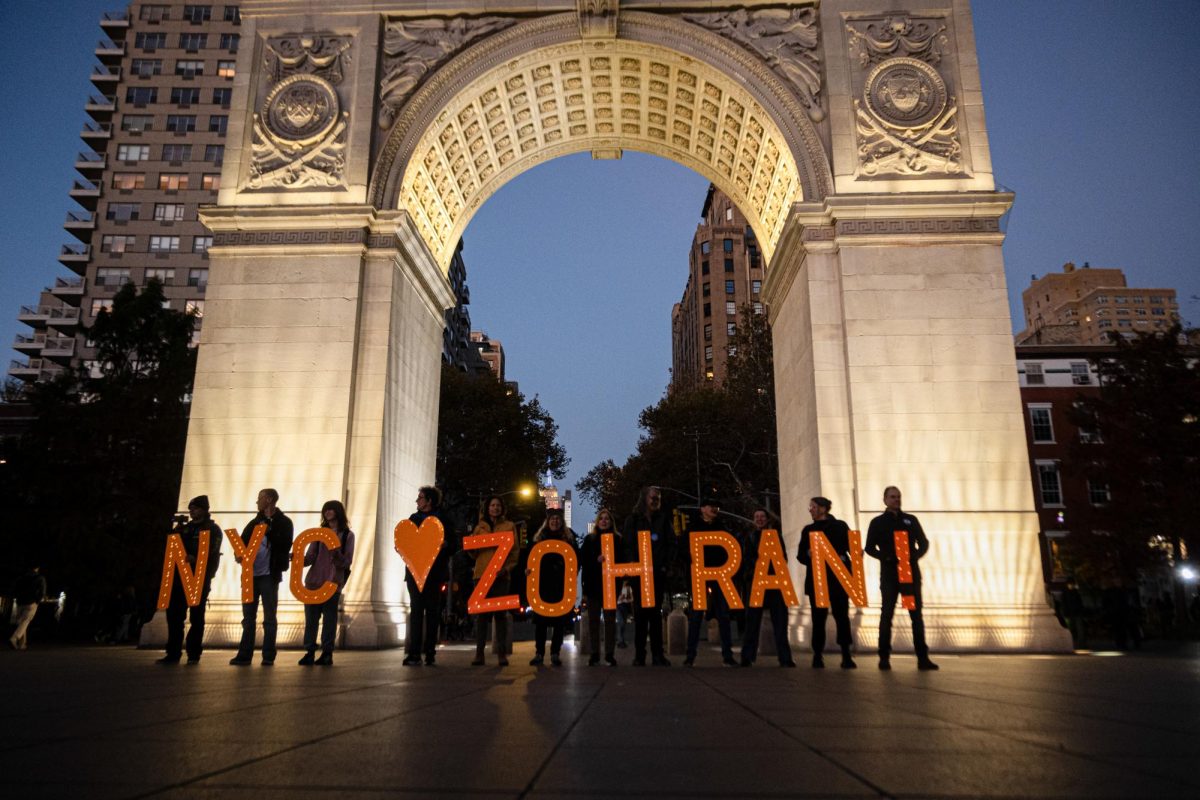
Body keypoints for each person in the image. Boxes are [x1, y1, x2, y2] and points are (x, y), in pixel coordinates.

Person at [865, 486, 938, 670]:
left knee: (915, 616)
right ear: (885, 500)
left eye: (898, 497)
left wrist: (914, 556)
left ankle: (922, 657)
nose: (896, 500)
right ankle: (884, 657)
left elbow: (924, 542)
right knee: (887, 614)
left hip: (908, 573)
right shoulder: (878, 522)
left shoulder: (911, 520)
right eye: (892, 497)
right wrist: (886, 557)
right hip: (890, 574)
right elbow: (869, 548)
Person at [231, 488, 295, 666]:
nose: (257, 502)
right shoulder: (254, 523)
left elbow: (285, 544)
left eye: (259, 498)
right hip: (250, 575)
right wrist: (239, 554)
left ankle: (268, 655)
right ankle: (244, 654)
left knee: (269, 617)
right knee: (248, 617)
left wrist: (269, 532)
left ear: (269, 499)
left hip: (269, 574)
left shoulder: (284, 522)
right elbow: (242, 542)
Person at [158, 495, 223, 664]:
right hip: (179, 578)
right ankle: (173, 652)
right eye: (190, 508)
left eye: (194, 508)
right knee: (174, 616)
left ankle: (193, 653)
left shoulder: (213, 529)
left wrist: (196, 558)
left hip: (199, 578)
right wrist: (176, 533)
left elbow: (211, 551)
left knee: (196, 617)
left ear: (203, 509)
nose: (191, 511)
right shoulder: (184, 529)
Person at [797, 497, 855, 669]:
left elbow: (852, 548)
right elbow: (800, 555)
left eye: (813, 507)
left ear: (823, 508)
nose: (810, 510)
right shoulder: (808, 530)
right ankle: (817, 655)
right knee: (818, 619)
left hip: (838, 580)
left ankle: (846, 654)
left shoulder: (840, 526)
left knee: (842, 618)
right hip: (818, 581)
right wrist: (808, 553)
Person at [299, 500, 355, 666]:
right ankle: (309, 651)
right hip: (314, 581)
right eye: (325, 510)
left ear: (338, 512)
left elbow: (347, 561)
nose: (328, 512)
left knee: (329, 619)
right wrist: (298, 560)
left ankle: (327, 652)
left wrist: (336, 554)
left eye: (331, 509)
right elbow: (310, 557)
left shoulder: (347, 535)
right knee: (311, 619)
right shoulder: (318, 534)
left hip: (332, 582)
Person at [621, 486, 674, 666]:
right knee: (641, 615)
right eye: (653, 497)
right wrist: (632, 565)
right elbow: (627, 545)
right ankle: (640, 655)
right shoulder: (633, 520)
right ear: (644, 498)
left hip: (657, 573)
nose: (656, 500)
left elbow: (671, 544)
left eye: (658, 498)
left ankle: (658, 654)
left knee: (655, 615)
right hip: (639, 574)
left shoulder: (664, 520)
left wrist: (666, 566)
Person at [684, 497, 738, 667]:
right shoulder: (692, 528)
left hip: (720, 576)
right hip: (700, 576)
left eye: (716, 506)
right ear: (702, 509)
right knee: (696, 617)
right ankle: (690, 656)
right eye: (711, 505)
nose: (715, 508)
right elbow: (684, 551)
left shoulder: (722, 527)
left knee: (724, 615)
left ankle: (727, 656)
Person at [739, 508, 796, 667]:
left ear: (767, 519)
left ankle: (785, 658)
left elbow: (783, 557)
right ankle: (747, 657)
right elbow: (746, 559)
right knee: (752, 623)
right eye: (756, 516)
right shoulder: (749, 538)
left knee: (780, 623)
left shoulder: (776, 536)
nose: (759, 519)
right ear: (753, 520)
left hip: (776, 585)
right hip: (757, 583)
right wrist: (757, 566)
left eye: (762, 516)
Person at [403, 486, 451, 666]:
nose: (417, 501)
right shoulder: (413, 519)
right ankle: (414, 652)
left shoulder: (443, 520)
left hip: (434, 573)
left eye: (420, 497)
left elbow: (453, 543)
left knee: (432, 612)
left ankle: (430, 651)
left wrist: (445, 544)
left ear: (429, 500)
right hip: (415, 573)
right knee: (416, 612)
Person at [469, 495, 518, 666]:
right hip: (481, 575)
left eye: (498, 505)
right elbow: (473, 554)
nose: (495, 508)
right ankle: (479, 654)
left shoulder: (509, 526)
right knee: (481, 617)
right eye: (492, 505)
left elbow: (514, 553)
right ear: (487, 508)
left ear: (502, 508)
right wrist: (472, 545)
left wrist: (506, 569)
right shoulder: (479, 528)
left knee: (500, 617)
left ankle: (501, 654)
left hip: (501, 576)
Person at [527, 508, 578, 666]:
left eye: (557, 519)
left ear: (561, 521)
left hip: (561, 585)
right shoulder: (539, 539)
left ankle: (555, 653)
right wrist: (528, 570)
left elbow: (577, 559)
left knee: (559, 623)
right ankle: (539, 653)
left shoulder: (569, 539)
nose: (555, 521)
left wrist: (572, 573)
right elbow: (529, 558)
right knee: (541, 623)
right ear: (547, 522)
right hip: (542, 584)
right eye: (552, 519)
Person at [579, 508, 620, 666]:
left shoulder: (617, 539)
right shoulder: (590, 539)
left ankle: (609, 654)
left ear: (611, 522)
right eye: (601, 518)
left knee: (610, 621)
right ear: (597, 521)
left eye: (607, 519)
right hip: (593, 586)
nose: (604, 521)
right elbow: (583, 560)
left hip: (610, 586)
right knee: (593, 621)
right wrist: (595, 559)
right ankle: (594, 653)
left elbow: (622, 560)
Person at [9, 565, 47, 650]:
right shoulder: (40, 578)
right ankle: (14, 638)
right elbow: (42, 591)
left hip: (20, 602)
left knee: (21, 623)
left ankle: (22, 644)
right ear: (37, 568)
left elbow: (14, 589)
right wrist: (37, 600)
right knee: (25, 622)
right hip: (31, 602)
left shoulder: (21, 578)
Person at [616, 581, 633, 648]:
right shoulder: (618, 588)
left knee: (623, 625)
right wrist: (620, 598)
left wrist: (625, 599)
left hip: (625, 606)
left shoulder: (629, 588)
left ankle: (621, 640)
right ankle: (620, 641)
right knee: (621, 623)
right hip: (618, 606)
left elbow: (632, 598)